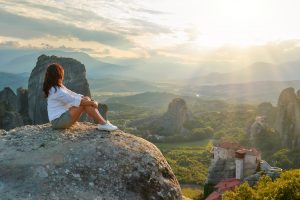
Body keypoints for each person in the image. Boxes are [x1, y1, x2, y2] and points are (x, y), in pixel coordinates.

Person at [43, 63, 118, 131]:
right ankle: (103, 124)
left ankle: (103, 123)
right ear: (58, 74)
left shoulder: (57, 87)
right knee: (84, 104)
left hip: (62, 118)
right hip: (58, 122)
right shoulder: (56, 91)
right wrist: (93, 102)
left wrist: (85, 98)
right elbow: (76, 101)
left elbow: (72, 94)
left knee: (85, 101)